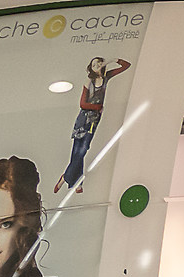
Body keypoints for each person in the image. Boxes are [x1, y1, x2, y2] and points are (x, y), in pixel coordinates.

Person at [55, 56, 131, 194]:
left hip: (94, 120)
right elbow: (82, 104)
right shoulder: (89, 81)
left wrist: (112, 60)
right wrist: (98, 107)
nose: (97, 65)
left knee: (83, 150)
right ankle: (75, 182)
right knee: (79, 150)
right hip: (83, 118)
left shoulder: (106, 77)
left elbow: (126, 66)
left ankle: (66, 178)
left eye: (99, 63)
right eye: (94, 63)